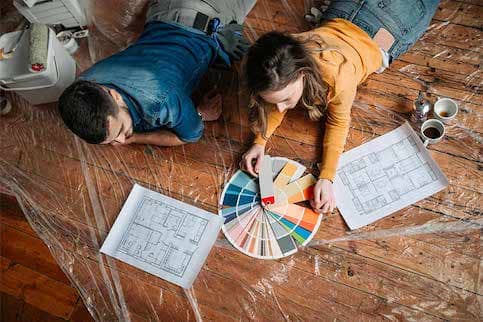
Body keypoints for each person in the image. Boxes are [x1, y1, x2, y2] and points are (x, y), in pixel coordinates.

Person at [240, 0, 440, 214]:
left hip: (389, 25)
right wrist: (259, 142)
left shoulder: (338, 77)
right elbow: (274, 99)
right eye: (274, 102)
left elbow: (338, 122)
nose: (280, 110)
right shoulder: (284, 52)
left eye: (286, 99)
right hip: (347, 10)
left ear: (302, 74)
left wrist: (327, 177)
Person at [58, 0, 256, 146]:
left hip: (209, 10)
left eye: (118, 131)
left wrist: (199, 114)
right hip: (162, 9)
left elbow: (186, 136)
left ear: (115, 95)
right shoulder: (85, 83)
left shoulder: (160, 101)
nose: (118, 140)